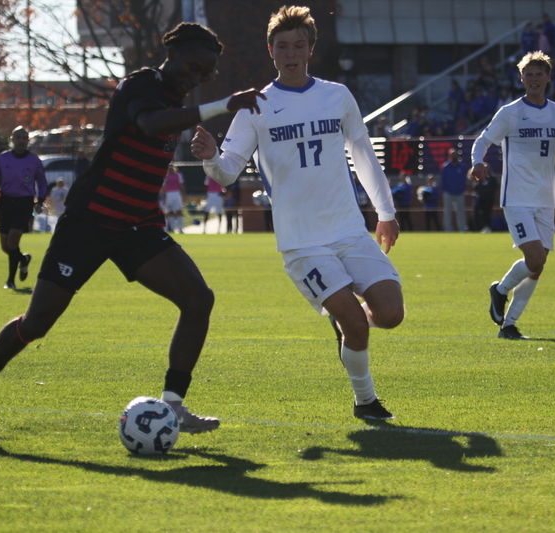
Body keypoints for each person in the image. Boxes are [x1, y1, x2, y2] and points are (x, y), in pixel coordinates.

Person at [0, 22, 264, 439]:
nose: (196, 78)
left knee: (198, 299)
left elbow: (165, 127)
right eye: (193, 67)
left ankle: (174, 405)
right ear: (173, 55)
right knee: (38, 324)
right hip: (89, 220)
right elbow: (148, 124)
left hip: (138, 225)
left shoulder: (176, 100)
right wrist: (222, 104)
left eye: (206, 74)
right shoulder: (141, 84)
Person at [191, 6, 403, 420]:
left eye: (299, 45)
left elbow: (363, 154)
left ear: (311, 49)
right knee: (356, 326)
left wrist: (386, 212)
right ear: (271, 51)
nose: (291, 53)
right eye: (283, 46)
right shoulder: (254, 106)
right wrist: (212, 157)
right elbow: (228, 171)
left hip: (348, 231)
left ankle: (343, 318)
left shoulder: (337, 95)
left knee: (391, 315)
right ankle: (366, 402)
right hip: (302, 242)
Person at [472, 51, 555, 340]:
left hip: (546, 198)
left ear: (548, 77)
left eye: (539, 74)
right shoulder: (510, 112)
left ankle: (509, 324)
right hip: (517, 198)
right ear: (521, 78)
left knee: (538, 266)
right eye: (528, 74)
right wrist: (477, 161)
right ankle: (500, 290)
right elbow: (482, 141)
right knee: (534, 259)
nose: (534, 78)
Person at [0, 126, 47, 290]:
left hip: (24, 203)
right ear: (11, 139)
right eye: (17, 137)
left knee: (13, 240)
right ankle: (23, 259)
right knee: (5, 246)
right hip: (5, 202)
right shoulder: (3, 158)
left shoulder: (34, 161)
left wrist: (39, 201)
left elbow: (42, 181)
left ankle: (10, 281)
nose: (21, 141)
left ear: (28, 140)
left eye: (24, 138)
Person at [440, 148, 468, 232]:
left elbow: (463, 179)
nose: (454, 156)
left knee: (461, 211)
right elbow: (443, 180)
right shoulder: (445, 167)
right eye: (452, 155)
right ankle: (448, 228)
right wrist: (445, 190)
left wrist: (462, 189)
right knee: (447, 211)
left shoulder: (461, 167)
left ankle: (462, 227)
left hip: (459, 192)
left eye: (455, 154)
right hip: (448, 192)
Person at [162, 164, 185, 233]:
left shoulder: (178, 175)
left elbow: (182, 185)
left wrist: (183, 195)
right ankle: (172, 228)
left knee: (178, 211)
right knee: (170, 212)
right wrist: (163, 198)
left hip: (177, 194)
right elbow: (163, 188)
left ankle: (180, 229)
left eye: (172, 168)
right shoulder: (165, 177)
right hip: (169, 195)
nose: (170, 170)